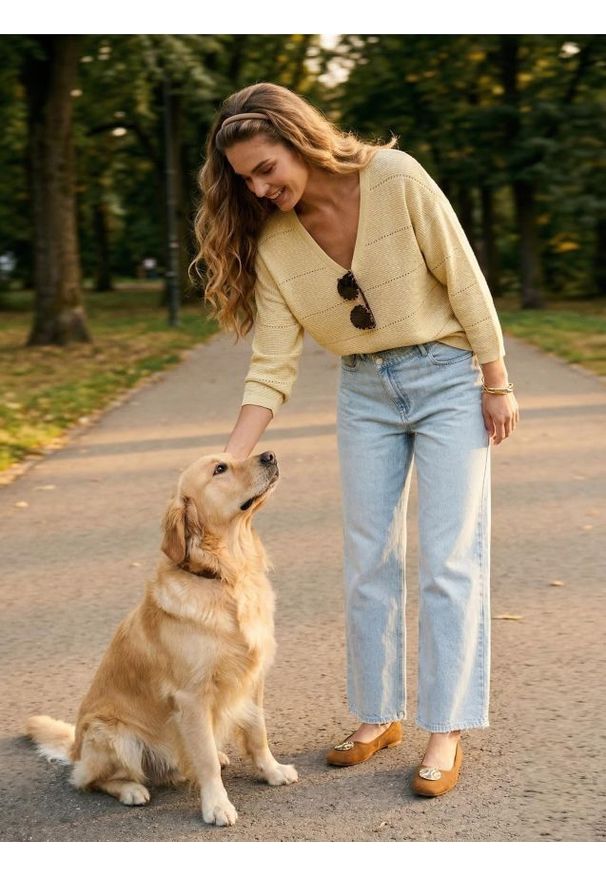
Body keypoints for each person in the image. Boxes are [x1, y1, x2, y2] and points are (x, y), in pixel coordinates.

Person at [191, 82, 519, 798]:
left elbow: (463, 278)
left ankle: (445, 726)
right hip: (364, 392)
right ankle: (378, 712)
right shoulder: (276, 242)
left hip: (446, 379)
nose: (259, 186)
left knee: (448, 557)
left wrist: (495, 379)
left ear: (298, 139)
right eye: (244, 178)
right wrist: (229, 459)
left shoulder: (395, 179)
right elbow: (272, 363)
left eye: (266, 168)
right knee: (368, 557)